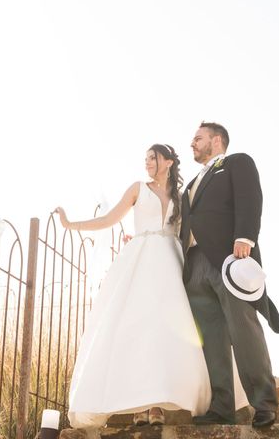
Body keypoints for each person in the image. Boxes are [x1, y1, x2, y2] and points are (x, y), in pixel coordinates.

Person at [55, 144, 247, 430]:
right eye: (145, 158)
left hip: (171, 260)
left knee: (167, 329)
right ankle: (139, 406)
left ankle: (158, 404)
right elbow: (110, 219)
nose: (147, 162)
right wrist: (70, 224)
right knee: (137, 326)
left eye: (152, 158)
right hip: (141, 259)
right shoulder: (137, 188)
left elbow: (190, 230)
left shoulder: (182, 196)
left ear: (168, 161)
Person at [180, 122, 279, 429]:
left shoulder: (237, 162)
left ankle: (264, 403)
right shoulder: (190, 185)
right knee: (211, 338)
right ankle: (222, 406)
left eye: (197, 138)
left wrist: (245, 237)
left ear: (216, 140)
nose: (192, 144)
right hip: (195, 264)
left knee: (243, 329)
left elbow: (250, 199)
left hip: (229, 257)